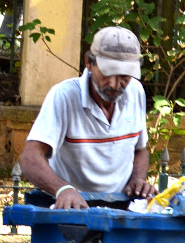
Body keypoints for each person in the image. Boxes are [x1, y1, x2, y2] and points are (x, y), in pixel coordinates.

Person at [20, 26, 156, 209]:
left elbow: (140, 150)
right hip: (72, 207)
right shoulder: (64, 96)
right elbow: (30, 157)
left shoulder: (136, 92)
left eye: (124, 76)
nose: (115, 85)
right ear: (89, 63)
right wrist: (63, 189)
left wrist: (137, 180)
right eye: (108, 73)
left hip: (121, 207)